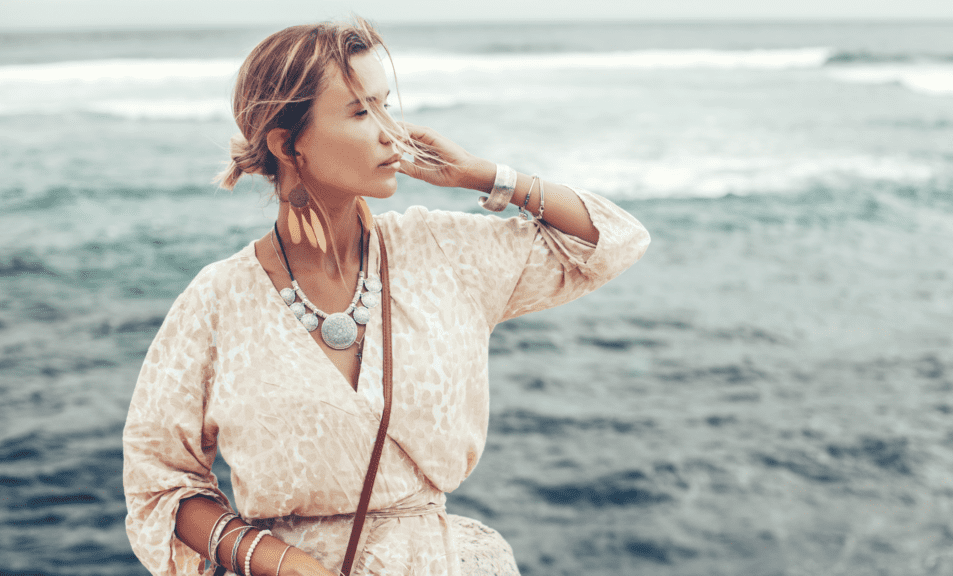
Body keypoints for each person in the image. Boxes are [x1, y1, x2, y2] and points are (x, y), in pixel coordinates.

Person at [122, 17, 649, 576]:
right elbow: (161, 481)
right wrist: (284, 563)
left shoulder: (443, 252)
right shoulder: (217, 300)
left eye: (385, 105)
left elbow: (611, 241)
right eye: (358, 111)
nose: (388, 132)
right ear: (287, 144)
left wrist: (483, 176)